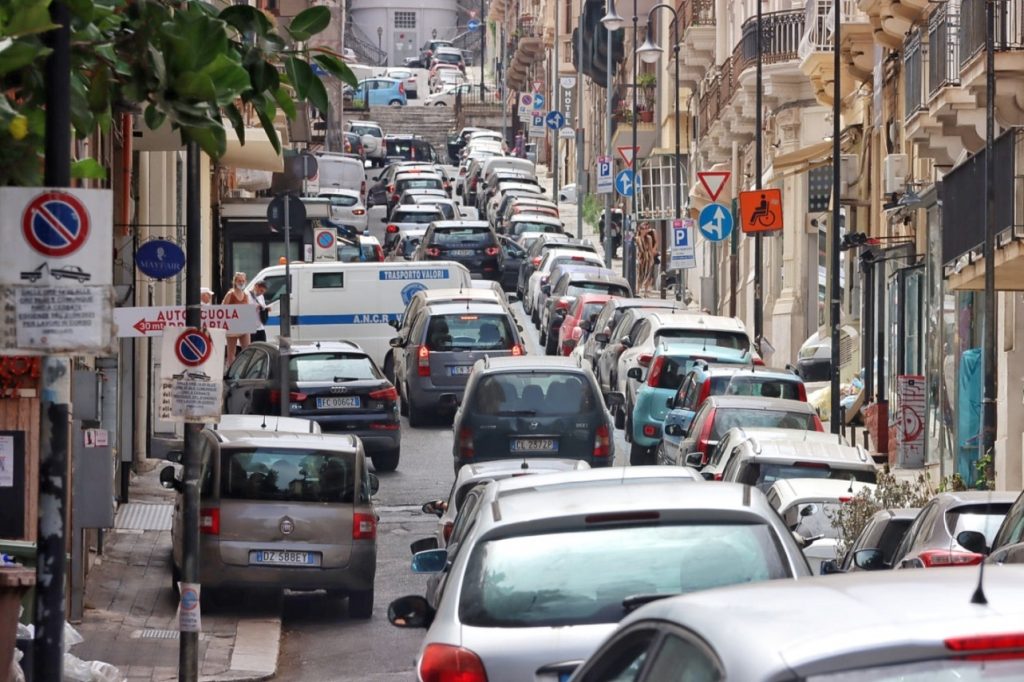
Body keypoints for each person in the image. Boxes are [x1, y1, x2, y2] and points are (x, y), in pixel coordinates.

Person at [222, 271, 250, 364]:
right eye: (239, 281)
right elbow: (222, 308)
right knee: (231, 352)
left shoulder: (246, 295)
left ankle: (244, 372)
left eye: (243, 281)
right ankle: (230, 372)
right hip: (232, 327)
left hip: (244, 326)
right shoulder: (230, 294)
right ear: (235, 281)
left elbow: (248, 310)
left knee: (247, 350)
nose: (241, 283)